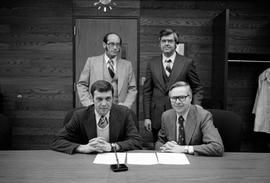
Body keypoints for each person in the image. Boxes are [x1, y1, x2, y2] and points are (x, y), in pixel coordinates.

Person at [143, 28, 203, 143]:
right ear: (159, 43)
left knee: (179, 148)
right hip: (157, 116)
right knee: (159, 147)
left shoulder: (187, 62)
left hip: (181, 113)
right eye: (163, 41)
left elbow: (197, 88)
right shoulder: (152, 63)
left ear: (176, 44)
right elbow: (147, 91)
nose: (166, 43)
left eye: (170, 41)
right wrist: (147, 117)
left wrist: (197, 107)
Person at [51, 80, 142, 154]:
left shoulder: (124, 113)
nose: (104, 104)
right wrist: (83, 148)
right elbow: (57, 141)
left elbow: (136, 141)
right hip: (87, 162)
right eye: (99, 99)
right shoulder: (80, 115)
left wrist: (111, 146)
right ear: (92, 98)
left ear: (112, 98)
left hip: (115, 160)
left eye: (108, 99)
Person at [155, 81, 224, 156]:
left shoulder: (203, 116)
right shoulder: (166, 116)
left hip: (196, 163)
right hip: (173, 162)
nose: (177, 102)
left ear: (190, 98)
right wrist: (165, 147)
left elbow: (217, 147)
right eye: (174, 98)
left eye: (182, 97)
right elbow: (159, 142)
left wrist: (184, 149)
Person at [77, 32, 137, 109]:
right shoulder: (91, 62)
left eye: (118, 44)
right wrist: (89, 104)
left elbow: (132, 88)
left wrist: (126, 105)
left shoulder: (127, 65)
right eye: (112, 44)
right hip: (97, 109)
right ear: (104, 45)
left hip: (119, 110)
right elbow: (81, 84)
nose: (115, 47)